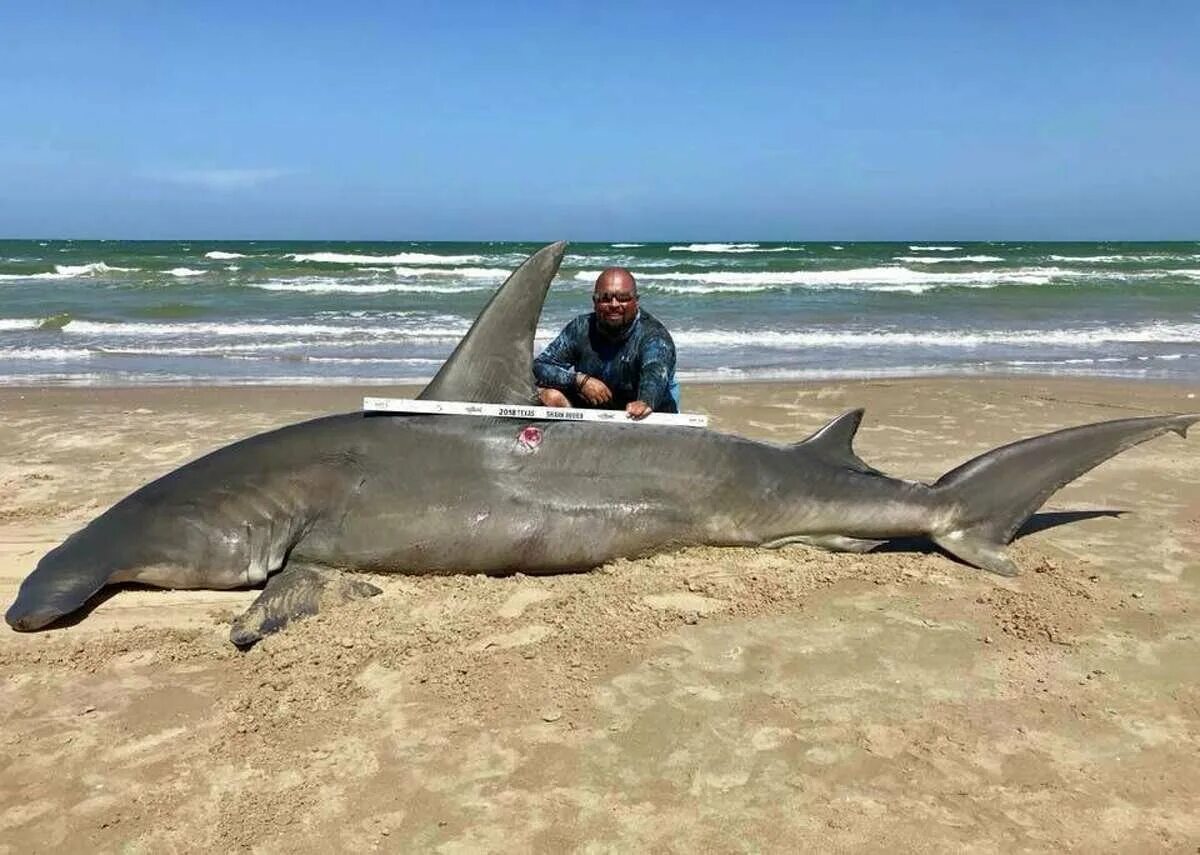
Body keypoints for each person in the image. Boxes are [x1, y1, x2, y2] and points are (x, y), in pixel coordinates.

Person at [533, 267, 679, 420]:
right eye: (605, 298)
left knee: (644, 410)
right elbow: (540, 366)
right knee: (550, 396)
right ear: (595, 302)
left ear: (636, 301)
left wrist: (645, 401)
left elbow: (655, 371)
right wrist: (580, 381)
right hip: (593, 413)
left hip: (642, 417)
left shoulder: (654, 335)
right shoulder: (580, 328)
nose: (614, 304)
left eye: (623, 298)